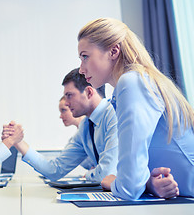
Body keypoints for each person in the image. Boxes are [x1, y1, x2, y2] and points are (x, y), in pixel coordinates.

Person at [77, 17, 193, 200]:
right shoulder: (136, 82)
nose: (81, 69)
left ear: (113, 51)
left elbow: (128, 188)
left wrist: (110, 181)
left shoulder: (132, 82)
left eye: (85, 56)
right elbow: (135, 179)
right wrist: (149, 185)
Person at [7, 68, 119, 182]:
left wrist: (89, 175)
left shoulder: (115, 114)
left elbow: (107, 174)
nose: (66, 102)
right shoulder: (85, 126)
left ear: (89, 92)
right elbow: (55, 169)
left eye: (69, 95)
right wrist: (18, 142)